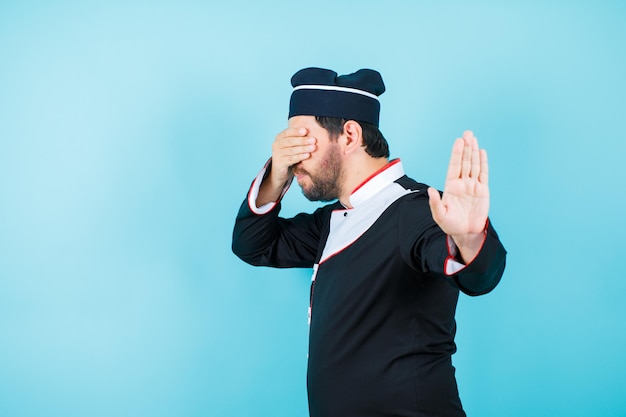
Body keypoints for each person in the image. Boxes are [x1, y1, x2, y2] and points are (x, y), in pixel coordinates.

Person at [231, 67, 506, 417]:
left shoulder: (419, 210)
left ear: (349, 135)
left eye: (300, 141)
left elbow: (480, 276)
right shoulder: (329, 223)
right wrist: (276, 174)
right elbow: (252, 244)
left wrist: (469, 237)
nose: (292, 158)